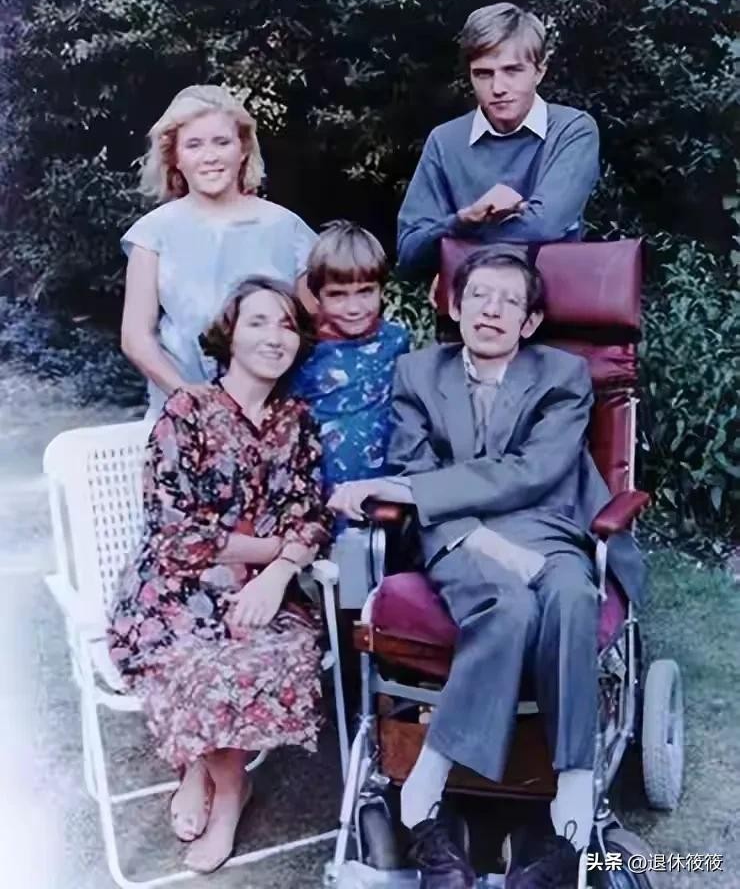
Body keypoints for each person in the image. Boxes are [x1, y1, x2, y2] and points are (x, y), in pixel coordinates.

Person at [329, 246, 644, 888]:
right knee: (509, 606)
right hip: (459, 535)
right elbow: (414, 465)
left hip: (546, 526)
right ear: (453, 305)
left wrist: (407, 491)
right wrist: (460, 524)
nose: (491, 310)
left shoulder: (562, 375)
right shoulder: (419, 373)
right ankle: (432, 776)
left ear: (530, 321)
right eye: (478, 296)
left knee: (571, 596)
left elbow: (534, 471)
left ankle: (573, 788)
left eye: (509, 301)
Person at [108, 277, 330, 875]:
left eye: (287, 325)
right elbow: (173, 529)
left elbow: (312, 517)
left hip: (262, 587)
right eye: (258, 321)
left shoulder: (297, 421)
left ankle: (207, 774)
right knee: (200, 663)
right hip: (172, 588)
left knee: (272, 649)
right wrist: (271, 546)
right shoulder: (187, 411)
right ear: (229, 334)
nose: (275, 336)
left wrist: (275, 575)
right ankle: (227, 786)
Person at [120, 84, 318, 417]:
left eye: (222, 142)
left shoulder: (288, 228)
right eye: (194, 145)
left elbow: (316, 325)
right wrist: (187, 395)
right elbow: (136, 337)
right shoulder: (152, 234)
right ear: (175, 157)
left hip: (273, 414)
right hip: (183, 415)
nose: (210, 156)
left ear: (243, 149)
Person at [397, 3, 600, 280]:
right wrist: (464, 218)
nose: (498, 88)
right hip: (469, 305)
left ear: (539, 71)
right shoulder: (445, 141)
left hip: (555, 298)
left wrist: (456, 242)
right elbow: (409, 251)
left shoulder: (572, 130)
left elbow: (545, 226)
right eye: (483, 73)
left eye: (512, 70)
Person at [291, 220, 410, 497]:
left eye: (365, 291)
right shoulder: (302, 350)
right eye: (337, 295)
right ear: (317, 295)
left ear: (382, 288)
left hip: (383, 490)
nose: (354, 308)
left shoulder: (396, 341)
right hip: (317, 491)